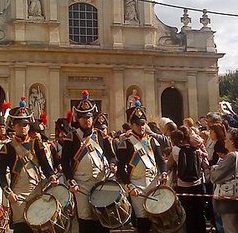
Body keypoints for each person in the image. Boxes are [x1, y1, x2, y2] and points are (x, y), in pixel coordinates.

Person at [0, 97, 58, 233]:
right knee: (21, 228)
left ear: (29, 126)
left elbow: (45, 165)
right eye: (19, 125)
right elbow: (0, 174)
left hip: (37, 191)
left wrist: (52, 176)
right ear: (13, 126)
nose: (22, 127)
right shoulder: (7, 148)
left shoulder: (37, 144)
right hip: (17, 195)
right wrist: (8, 193)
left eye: (25, 125)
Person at [61, 90, 116, 233]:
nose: (87, 120)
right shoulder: (71, 137)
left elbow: (111, 155)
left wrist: (112, 165)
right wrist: (70, 180)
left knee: (104, 220)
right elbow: (65, 162)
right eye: (83, 117)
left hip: (100, 182)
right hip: (81, 185)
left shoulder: (99, 135)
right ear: (78, 119)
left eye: (90, 117)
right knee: (86, 221)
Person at [114, 104, 167, 233]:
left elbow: (160, 160)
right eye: (137, 124)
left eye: (143, 124)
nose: (141, 127)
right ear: (132, 125)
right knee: (142, 218)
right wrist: (129, 186)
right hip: (136, 184)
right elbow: (121, 167)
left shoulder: (153, 141)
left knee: (155, 216)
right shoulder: (126, 143)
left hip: (153, 182)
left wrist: (164, 172)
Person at [210, 128, 238, 233]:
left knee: (230, 229)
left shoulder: (231, 156)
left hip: (229, 202)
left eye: (227, 139)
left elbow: (215, 177)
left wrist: (213, 169)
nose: (225, 141)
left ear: (232, 141)